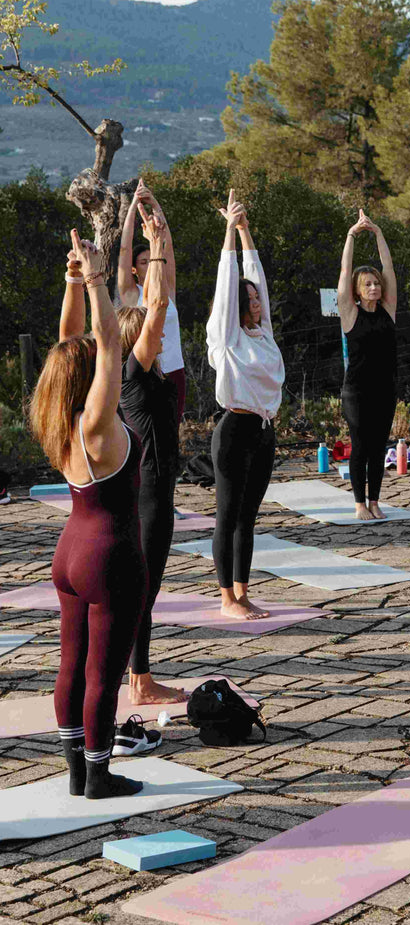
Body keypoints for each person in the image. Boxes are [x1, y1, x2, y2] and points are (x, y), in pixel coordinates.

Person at [31, 230, 147, 799]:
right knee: (103, 670)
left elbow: (69, 343)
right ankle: (100, 774)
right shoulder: (99, 426)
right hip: (109, 556)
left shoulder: (61, 419)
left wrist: (74, 281)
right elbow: (105, 345)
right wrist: (99, 280)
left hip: (69, 551)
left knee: (71, 663)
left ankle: (76, 769)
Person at [116, 199, 187, 706]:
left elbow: (162, 307)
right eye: (149, 332)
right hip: (148, 498)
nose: (158, 334)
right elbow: (158, 305)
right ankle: (138, 681)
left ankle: (138, 675)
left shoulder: (149, 375)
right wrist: (156, 245)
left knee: (146, 590)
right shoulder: (134, 376)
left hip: (154, 492)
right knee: (142, 591)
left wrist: (162, 241)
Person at [207, 189, 284, 620]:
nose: (256, 304)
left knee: (248, 518)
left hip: (263, 432)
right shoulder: (227, 338)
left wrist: (244, 228)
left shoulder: (263, 333)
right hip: (234, 431)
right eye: (249, 300)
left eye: (257, 300)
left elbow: (255, 277)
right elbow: (229, 285)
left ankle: (242, 591)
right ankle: (225, 599)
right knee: (227, 515)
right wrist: (227, 237)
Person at [337, 208, 399, 521]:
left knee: (378, 447)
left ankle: (375, 500)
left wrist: (378, 234)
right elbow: (345, 274)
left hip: (385, 390)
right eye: (368, 285)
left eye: (376, 283)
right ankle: (359, 503)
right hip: (357, 392)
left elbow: (388, 267)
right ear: (358, 291)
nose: (374, 287)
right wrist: (351, 235)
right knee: (360, 445)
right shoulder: (350, 312)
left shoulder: (388, 310)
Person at [117, 178, 186, 424]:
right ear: (134, 269)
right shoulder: (131, 294)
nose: (149, 263)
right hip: (144, 373)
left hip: (174, 371)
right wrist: (135, 206)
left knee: (171, 434)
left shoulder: (167, 289)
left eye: (151, 259)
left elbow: (166, 245)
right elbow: (124, 250)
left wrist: (154, 203)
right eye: (143, 262)